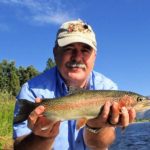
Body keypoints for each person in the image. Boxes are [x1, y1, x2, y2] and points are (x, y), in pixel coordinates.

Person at [13, 19, 136, 150]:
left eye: (85, 50)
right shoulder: (32, 90)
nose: (77, 57)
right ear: (55, 52)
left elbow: (100, 145)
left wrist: (95, 126)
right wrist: (43, 137)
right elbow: (19, 147)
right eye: (69, 49)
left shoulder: (108, 87)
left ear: (95, 56)